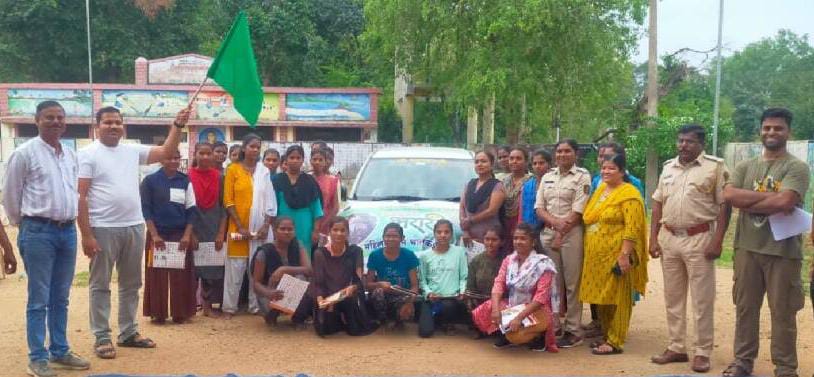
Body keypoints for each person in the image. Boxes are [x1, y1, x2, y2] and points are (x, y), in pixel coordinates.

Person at [78, 106, 189, 360]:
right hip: (102, 227)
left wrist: (178, 125)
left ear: (123, 127)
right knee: (100, 285)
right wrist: (86, 234)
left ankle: (128, 332)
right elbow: (81, 196)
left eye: (118, 122)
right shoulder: (87, 154)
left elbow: (166, 152)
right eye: (108, 122)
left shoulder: (130, 151)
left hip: (133, 226)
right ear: (97, 126)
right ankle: (102, 336)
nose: (114, 126)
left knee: (131, 284)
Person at [2, 101, 89, 376]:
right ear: (36, 120)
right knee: (39, 298)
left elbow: (73, 193)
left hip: (67, 232)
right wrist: (24, 226)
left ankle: (60, 350)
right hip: (38, 232)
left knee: (60, 297)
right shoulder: (24, 154)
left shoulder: (70, 154)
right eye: (49, 117)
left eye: (60, 117)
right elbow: (9, 196)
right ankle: (38, 357)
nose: (56, 122)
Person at [721, 108, 809, 377]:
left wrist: (747, 201)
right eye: (767, 128)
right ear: (760, 130)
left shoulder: (797, 167)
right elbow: (728, 195)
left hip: (783, 252)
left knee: (783, 312)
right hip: (747, 248)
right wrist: (768, 202)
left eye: (778, 128)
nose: (771, 132)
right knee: (746, 308)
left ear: (788, 132)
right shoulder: (745, 166)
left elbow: (786, 201)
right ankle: (743, 362)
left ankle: (785, 368)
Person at [649, 125, 730, 372]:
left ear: (701, 144)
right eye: (681, 141)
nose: (683, 145)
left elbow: (725, 206)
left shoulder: (715, 167)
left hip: (700, 238)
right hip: (670, 237)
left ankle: (702, 352)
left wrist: (717, 240)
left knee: (702, 299)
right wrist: (653, 238)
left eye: (690, 141)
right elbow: (657, 203)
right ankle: (676, 347)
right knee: (673, 297)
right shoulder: (668, 167)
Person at [580, 153, 648, 355]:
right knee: (602, 297)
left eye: (611, 168)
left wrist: (625, 254)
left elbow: (632, 228)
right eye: (604, 168)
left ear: (622, 171)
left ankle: (615, 341)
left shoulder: (630, 194)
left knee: (619, 298)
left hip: (617, 254)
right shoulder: (601, 189)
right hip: (596, 257)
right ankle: (606, 335)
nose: (606, 171)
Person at [534, 138, 590, 348]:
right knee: (552, 283)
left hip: (572, 235)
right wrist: (556, 226)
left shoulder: (582, 176)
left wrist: (561, 231)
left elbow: (578, 210)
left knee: (572, 283)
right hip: (549, 234)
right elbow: (539, 208)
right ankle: (554, 325)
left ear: (575, 154)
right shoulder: (547, 177)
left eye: (567, 151)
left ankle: (574, 329)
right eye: (559, 152)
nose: (562, 155)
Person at [471, 223, 558, 352]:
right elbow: (498, 284)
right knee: (487, 308)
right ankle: (506, 332)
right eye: (515, 238)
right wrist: (495, 310)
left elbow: (541, 298)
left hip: (536, 309)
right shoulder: (509, 260)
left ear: (533, 242)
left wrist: (519, 317)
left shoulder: (543, 264)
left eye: (523, 238)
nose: (518, 242)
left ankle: (538, 336)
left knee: (516, 337)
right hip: (513, 305)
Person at [222, 134, 277, 319]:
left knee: (257, 269)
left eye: (258, 146)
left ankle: (255, 306)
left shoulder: (264, 171)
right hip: (238, 229)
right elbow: (228, 200)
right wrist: (239, 225)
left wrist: (266, 226)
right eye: (252, 146)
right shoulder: (233, 170)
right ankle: (229, 308)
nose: (255, 149)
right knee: (235, 269)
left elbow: (270, 201)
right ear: (244, 148)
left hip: (260, 229)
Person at [140, 150, 197, 324]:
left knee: (182, 274)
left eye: (176, 157)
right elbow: (146, 209)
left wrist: (187, 235)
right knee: (157, 274)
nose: (173, 160)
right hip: (158, 234)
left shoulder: (185, 181)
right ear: (161, 160)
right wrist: (154, 235)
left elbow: (192, 210)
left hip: (180, 234)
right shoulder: (150, 181)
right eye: (169, 157)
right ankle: (158, 313)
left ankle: (181, 312)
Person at [312, 216, 378, 336]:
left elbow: (358, 280)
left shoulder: (355, 251)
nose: (339, 234)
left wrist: (352, 288)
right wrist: (322, 301)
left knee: (355, 330)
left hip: (348, 294)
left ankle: (349, 318)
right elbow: (318, 282)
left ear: (347, 233)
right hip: (327, 296)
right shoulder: (320, 253)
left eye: (343, 230)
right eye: (335, 230)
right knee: (325, 329)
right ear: (329, 232)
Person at [188, 142, 227, 318]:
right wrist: (191, 234)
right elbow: (185, 208)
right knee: (192, 269)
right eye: (201, 154)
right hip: (194, 224)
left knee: (211, 268)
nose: (205, 157)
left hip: (213, 224)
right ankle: (189, 307)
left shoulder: (219, 177)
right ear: (195, 155)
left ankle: (207, 306)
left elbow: (224, 206)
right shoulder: (187, 177)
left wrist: (220, 233)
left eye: (208, 154)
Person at [252, 216, 313, 327]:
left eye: (290, 229)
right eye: (282, 229)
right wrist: (268, 293)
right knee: (271, 314)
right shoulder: (264, 252)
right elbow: (256, 284)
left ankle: (298, 317)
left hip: (290, 290)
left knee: (301, 278)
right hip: (270, 291)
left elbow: (309, 270)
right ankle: (272, 315)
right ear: (275, 231)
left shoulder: (298, 245)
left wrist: (283, 269)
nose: (286, 232)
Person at [418, 220, 469, 337]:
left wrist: (462, 292)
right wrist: (429, 293)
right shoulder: (425, 256)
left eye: (446, 232)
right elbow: (422, 280)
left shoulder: (459, 252)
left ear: (451, 234)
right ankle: (435, 320)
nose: (443, 235)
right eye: (439, 232)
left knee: (448, 306)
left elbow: (463, 277)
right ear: (434, 234)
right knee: (425, 333)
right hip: (431, 299)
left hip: (451, 299)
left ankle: (447, 323)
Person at [365, 223, 419, 330]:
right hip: (384, 296)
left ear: (402, 238)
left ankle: (399, 320)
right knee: (378, 292)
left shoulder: (409, 255)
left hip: (402, 295)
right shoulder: (375, 255)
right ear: (383, 238)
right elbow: (368, 285)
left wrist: (410, 301)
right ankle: (383, 321)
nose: (391, 239)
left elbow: (415, 285)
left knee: (406, 310)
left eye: (395, 236)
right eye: (387, 236)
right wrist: (380, 284)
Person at [272, 145, 324, 255]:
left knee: (303, 255)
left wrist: (315, 230)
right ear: (286, 159)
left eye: (298, 158)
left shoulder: (310, 181)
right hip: (282, 226)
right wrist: (273, 229)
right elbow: (272, 208)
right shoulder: (277, 180)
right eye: (291, 157)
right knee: (282, 256)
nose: (295, 160)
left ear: (302, 160)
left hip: (305, 226)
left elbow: (317, 208)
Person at [460, 151, 505, 249]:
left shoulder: (497, 186)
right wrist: (465, 231)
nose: (479, 164)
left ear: (492, 164)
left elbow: (492, 211)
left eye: (483, 161)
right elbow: (462, 208)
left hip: (488, 236)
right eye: (477, 162)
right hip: (468, 236)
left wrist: (471, 220)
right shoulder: (469, 184)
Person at [465, 227, 503, 318]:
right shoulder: (476, 260)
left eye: (494, 240)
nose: (490, 243)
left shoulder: (506, 261)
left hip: (500, 303)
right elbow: (470, 286)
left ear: (502, 242)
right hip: (479, 303)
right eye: (487, 239)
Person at [501, 147, 532, 247]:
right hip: (504, 224)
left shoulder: (531, 181)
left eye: (518, 158)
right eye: (512, 158)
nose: (514, 161)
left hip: (523, 224)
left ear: (526, 161)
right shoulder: (503, 181)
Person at [518, 149, 551, 234]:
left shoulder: (553, 182)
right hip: (528, 228)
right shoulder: (527, 185)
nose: (537, 166)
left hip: (548, 228)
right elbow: (522, 208)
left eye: (541, 163)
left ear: (549, 165)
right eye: (535, 163)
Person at [311, 148, 340, 238]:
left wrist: (324, 224)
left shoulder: (332, 180)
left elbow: (335, 207)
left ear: (325, 162)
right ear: (310, 161)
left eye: (320, 160)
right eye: (314, 159)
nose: (317, 162)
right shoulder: (305, 178)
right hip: (308, 220)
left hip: (326, 222)